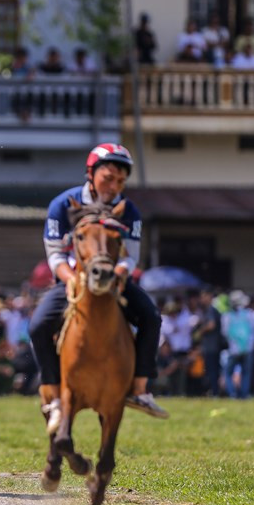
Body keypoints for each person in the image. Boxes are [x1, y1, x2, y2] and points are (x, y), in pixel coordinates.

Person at [29, 143, 169, 424]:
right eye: (109, 177)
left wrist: (117, 273)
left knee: (152, 317)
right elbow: (56, 254)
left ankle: (140, 388)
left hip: (112, 277)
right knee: (38, 326)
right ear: (90, 173)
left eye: (121, 181)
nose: (115, 185)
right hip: (72, 280)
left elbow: (131, 258)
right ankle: (54, 394)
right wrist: (72, 281)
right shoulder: (62, 204)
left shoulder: (128, 210)